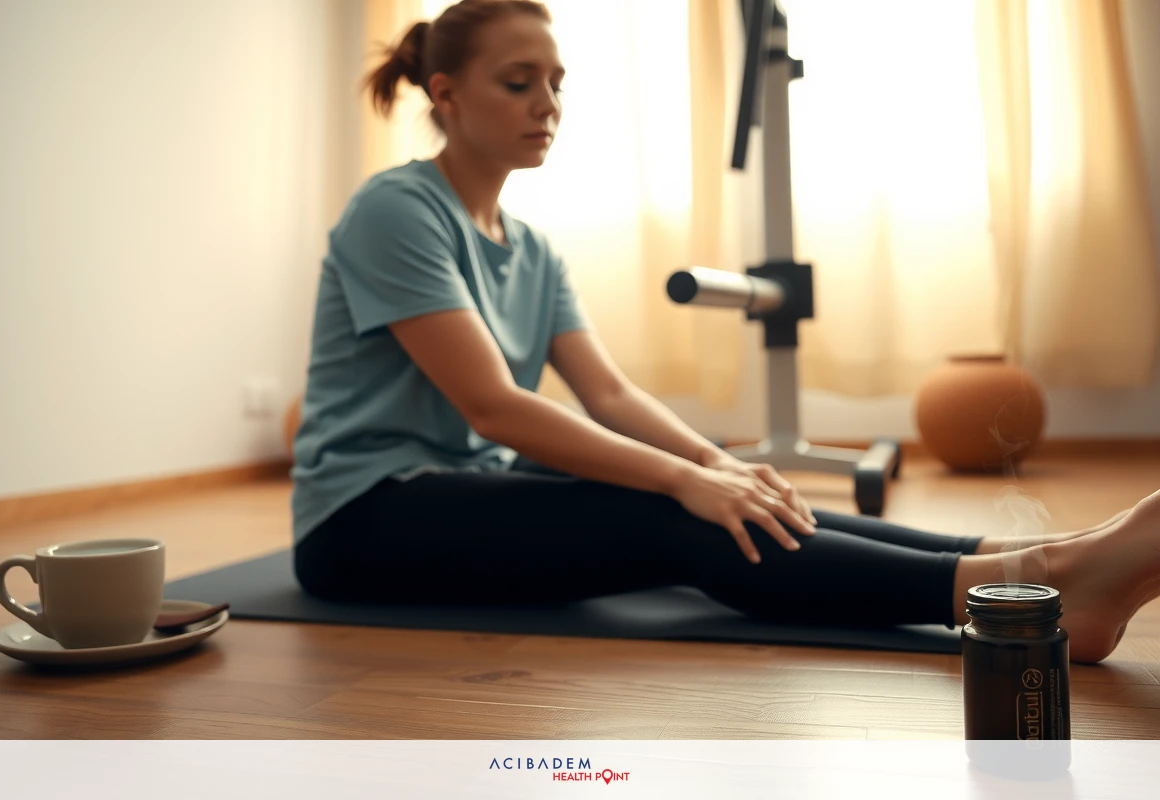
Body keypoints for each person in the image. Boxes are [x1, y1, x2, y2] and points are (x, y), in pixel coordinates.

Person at [290, 0, 1160, 665]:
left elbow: (611, 395)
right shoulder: (397, 212)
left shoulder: (534, 247)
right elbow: (495, 407)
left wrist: (722, 465)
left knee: (743, 492)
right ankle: (1011, 595)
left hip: (466, 481)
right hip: (364, 517)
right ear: (444, 94)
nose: (547, 104)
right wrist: (687, 480)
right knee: (672, 515)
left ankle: (1030, 556)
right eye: (519, 83)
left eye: (557, 83)